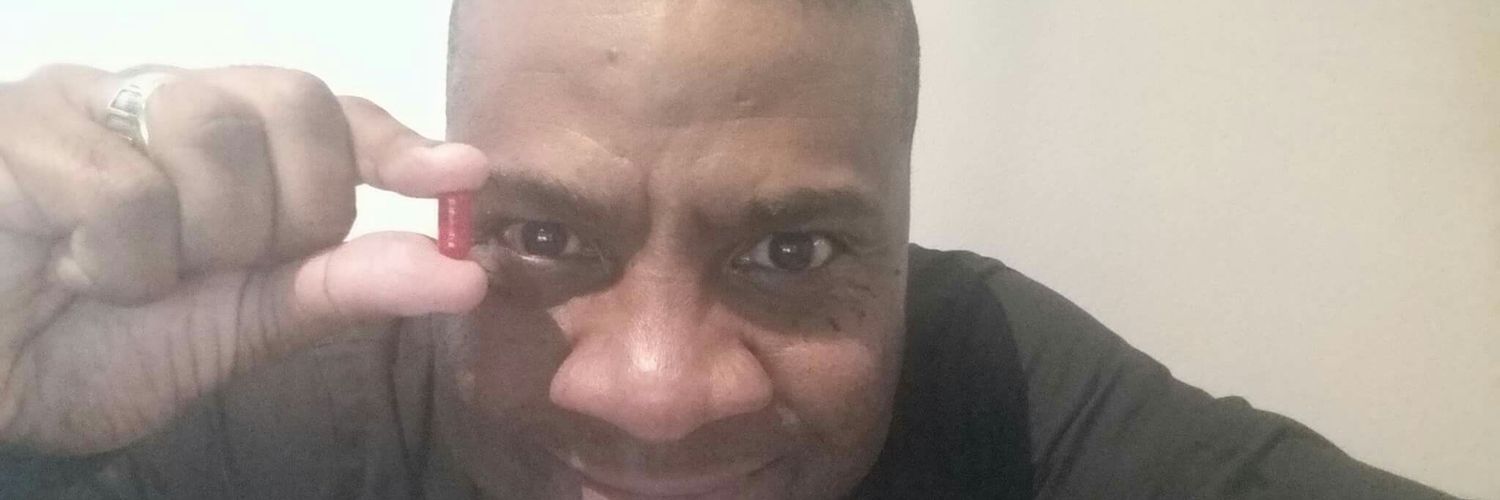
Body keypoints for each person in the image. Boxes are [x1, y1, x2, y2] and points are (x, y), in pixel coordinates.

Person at [0, 1, 1461, 498]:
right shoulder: (300, 420)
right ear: (449, 207)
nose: (657, 396)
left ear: (900, 234)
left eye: (793, 251)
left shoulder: (1000, 377)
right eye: (545, 235)